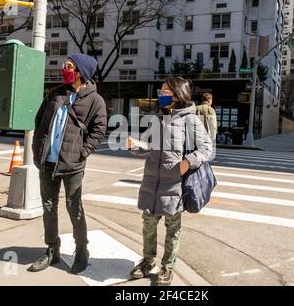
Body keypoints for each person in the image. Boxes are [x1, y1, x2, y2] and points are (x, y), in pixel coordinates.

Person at [126, 77, 212, 286]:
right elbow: (149, 147)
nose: (161, 95)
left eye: (166, 92)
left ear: (178, 95)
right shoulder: (157, 118)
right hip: (151, 183)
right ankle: (148, 260)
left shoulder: (190, 120)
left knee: (172, 228)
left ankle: (168, 266)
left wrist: (188, 162)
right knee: (148, 224)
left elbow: (206, 149)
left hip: (174, 184)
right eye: (161, 91)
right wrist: (135, 145)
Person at [29, 54, 107, 274]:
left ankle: (82, 251)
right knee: (48, 207)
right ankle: (52, 250)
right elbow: (39, 121)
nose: (64, 68)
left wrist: (82, 152)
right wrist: (38, 151)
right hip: (47, 163)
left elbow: (99, 131)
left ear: (80, 72)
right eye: (65, 65)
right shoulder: (55, 93)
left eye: (69, 66)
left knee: (74, 208)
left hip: (73, 165)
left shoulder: (95, 100)